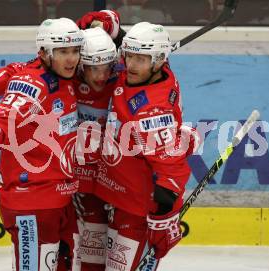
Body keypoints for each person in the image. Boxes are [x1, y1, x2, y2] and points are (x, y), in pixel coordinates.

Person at [0, 17, 84, 271]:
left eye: (75, 51)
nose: (72, 59)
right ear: (44, 53)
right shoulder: (31, 85)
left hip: (57, 197)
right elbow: (2, 125)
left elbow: (11, 71)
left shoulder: (50, 72)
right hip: (32, 200)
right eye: (63, 52)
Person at [78, 17, 200, 271]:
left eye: (140, 59)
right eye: (128, 56)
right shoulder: (146, 72)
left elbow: (171, 174)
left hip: (136, 210)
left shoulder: (152, 113)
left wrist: (163, 220)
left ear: (158, 62)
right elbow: (122, 40)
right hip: (117, 199)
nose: (130, 65)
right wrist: (105, 25)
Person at [72, 27, 118, 271]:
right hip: (79, 180)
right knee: (84, 247)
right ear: (81, 67)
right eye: (93, 68)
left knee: (105, 251)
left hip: (110, 179)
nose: (101, 76)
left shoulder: (122, 82)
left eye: (105, 68)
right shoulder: (66, 80)